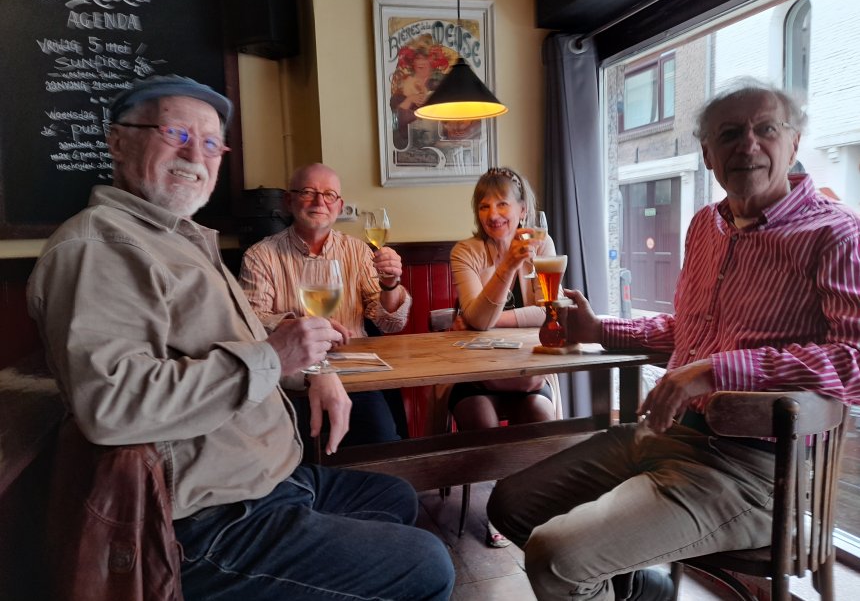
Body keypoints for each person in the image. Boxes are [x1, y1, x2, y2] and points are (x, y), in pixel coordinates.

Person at [26, 74, 454, 601]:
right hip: (211, 518)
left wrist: (309, 372)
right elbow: (111, 404)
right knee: (427, 564)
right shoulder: (100, 247)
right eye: (175, 134)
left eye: (210, 143)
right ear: (118, 141)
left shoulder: (181, 241)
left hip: (276, 476)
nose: (195, 155)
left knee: (394, 496)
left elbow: (372, 326)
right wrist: (278, 357)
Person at [487, 79, 860, 601]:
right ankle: (643, 590)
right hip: (668, 434)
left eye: (766, 129)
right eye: (729, 134)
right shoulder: (707, 225)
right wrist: (599, 331)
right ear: (708, 154)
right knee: (510, 503)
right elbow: (689, 331)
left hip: (758, 470)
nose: (747, 145)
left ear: (794, 142)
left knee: (557, 556)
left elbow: (854, 361)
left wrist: (715, 370)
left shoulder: (836, 234)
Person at [239, 162, 412, 446]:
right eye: (308, 192)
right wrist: (297, 327)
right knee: (296, 453)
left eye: (329, 194)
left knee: (383, 443)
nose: (320, 201)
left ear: (339, 205)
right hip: (293, 377)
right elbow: (251, 321)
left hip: (353, 374)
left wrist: (390, 284)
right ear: (288, 200)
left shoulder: (358, 250)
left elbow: (390, 323)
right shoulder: (260, 255)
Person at [450, 166, 564, 547]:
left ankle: (523, 506)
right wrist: (509, 265)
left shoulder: (542, 246)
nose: (493, 213)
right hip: (476, 376)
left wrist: (489, 319)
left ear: (521, 210)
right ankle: (502, 508)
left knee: (541, 422)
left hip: (527, 375)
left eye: (502, 203)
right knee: (482, 429)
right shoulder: (465, 252)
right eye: (484, 206)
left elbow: (550, 314)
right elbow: (478, 320)